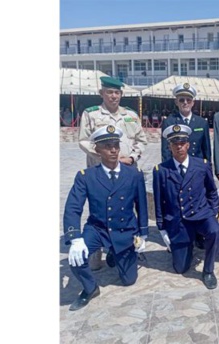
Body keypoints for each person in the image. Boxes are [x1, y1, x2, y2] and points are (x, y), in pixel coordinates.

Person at [63, 125, 148, 311]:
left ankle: (116, 253)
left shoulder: (133, 174)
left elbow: (141, 205)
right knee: (76, 259)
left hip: (125, 230)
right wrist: (75, 238)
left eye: (116, 144)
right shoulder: (86, 176)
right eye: (107, 145)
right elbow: (73, 207)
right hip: (98, 229)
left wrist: (143, 234)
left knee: (129, 280)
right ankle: (90, 288)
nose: (113, 149)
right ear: (97, 149)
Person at [78, 76, 148, 270]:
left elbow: (141, 140)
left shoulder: (131, 115)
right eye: (109, 92)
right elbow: (83, 140)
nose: (113, 96)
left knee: (126, 208)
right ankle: (96, 251)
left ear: (121, 94)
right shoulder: (91, 114)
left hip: (127, 169)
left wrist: (132, 158)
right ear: (102, 93)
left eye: (117, 92)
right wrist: (103, 156)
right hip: (100, 170)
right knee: (99, 209)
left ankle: (126, 248)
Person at [152, 124, 219, 289]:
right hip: (179, 220)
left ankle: (208, 270)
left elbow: (212, 192)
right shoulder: (161, 170)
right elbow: (159, 201)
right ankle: (187, 245)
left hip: (201, 215)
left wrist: (213, 214)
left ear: (188, 144)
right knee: (181, 268)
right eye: (175, 143)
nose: (179, 146)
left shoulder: (202, 165)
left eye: (182, 142)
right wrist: (162, 228)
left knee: (215, 231)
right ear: (169, 146)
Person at [160, 83, 211, 163]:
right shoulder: (169, 122)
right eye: (181, 100)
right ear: (176, 102)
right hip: (176, 167)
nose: (185, 102)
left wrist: (208, 168)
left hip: (197, 166)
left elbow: (206, 149)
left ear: (193, 103)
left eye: (188, 100)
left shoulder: (202, 123)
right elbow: (165, 150)